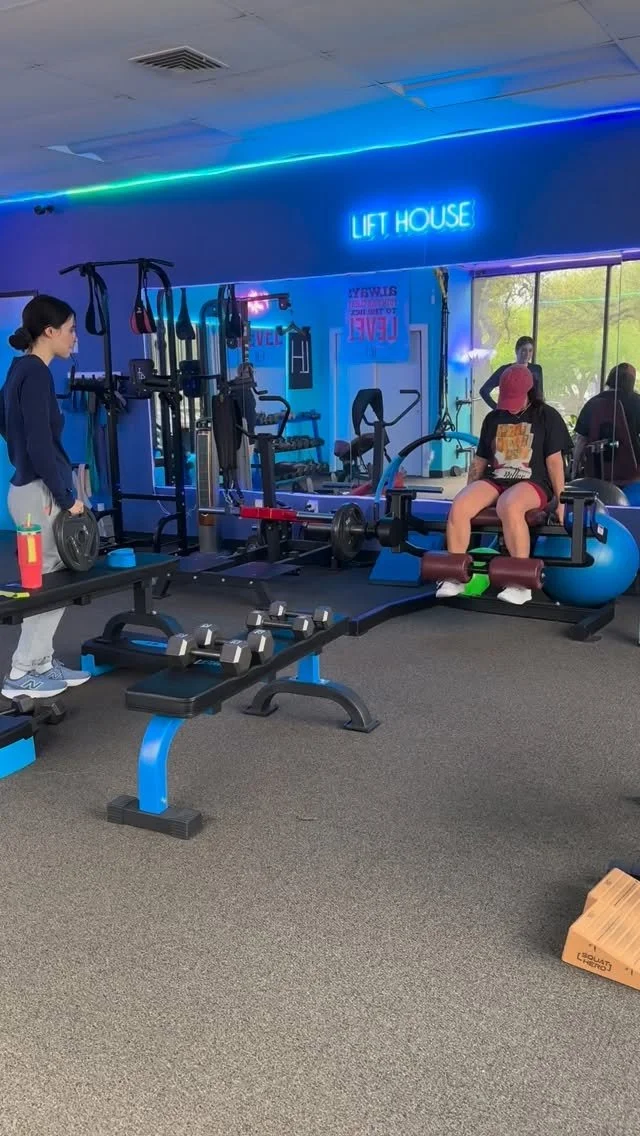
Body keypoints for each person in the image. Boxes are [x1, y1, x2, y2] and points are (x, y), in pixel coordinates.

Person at [0, 295, 91, 699]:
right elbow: (39, 443)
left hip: (28, 489)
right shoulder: (36, 373)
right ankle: (22, 671)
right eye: (70, 329)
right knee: (50, 582)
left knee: (49, 580)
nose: (74, 337)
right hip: (40, 493)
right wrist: (66, 497)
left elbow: (6, 423)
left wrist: (22, 456)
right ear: (50, 331)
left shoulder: (19, 368)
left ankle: (41, 662)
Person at [437, 364, 568, 606]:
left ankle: (520, 584)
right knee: (460, 504)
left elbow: (554, 462)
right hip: (496, 479)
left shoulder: (546, 416)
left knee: (509, 505)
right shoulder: (493, 418)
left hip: (533, 482)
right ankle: (455, 577)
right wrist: (469, 488)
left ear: (529, 391)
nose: (510, 405)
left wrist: (561, 501)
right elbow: (479, 462)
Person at [571, 363, 640, 476]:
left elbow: (581, 440)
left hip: (597, 470)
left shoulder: (593, 403)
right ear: (631, 382)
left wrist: (574, 471)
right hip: (632, 469)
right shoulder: (637, 402)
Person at [479, 335, 544, 409]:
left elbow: (540, 395)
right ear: (516, 351)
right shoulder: (505, 370)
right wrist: (498, 409)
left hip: (530, 413)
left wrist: (540, 411)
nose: (527, 354)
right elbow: (484, 391)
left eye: (530, 350)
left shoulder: (536, 370)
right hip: (510, 412)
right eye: (524, 350)